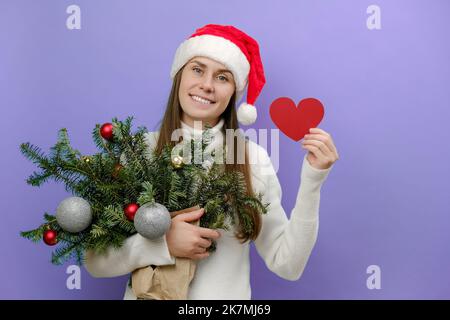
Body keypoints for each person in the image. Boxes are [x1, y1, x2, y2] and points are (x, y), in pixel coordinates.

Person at [84, 24, 339, 300]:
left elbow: (287, 264)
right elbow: (95, 261)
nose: (206, 84)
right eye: (197, 69)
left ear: (233, 93)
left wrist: (313, 180)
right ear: (179, 75)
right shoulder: (140, 150)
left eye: (222, 77)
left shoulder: (252, 159)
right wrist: (162, 244)